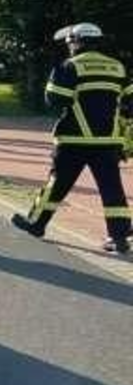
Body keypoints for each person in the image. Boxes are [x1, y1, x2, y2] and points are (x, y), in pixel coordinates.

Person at [12, 23, 132, 253]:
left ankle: (36, 223)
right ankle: (119, 238)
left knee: (56, 184)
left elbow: (55, 101)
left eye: (70, 43)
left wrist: (56, 72)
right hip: (108, 142)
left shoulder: (70, 66)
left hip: (74, 139)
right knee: (112, 189)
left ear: (76, 42)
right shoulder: (117, 67)